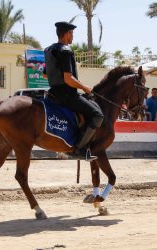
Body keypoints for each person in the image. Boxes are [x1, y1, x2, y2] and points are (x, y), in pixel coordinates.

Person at [44, 21, 104, 159]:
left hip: (53, 95)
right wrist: (84, 88)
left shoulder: (48, 50)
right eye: (72, 34)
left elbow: (45, 74)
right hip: (67, 96)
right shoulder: (65, 51)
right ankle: (79, 149)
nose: (73, 37)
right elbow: (68, 79)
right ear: (66, 34)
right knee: (97, 115)